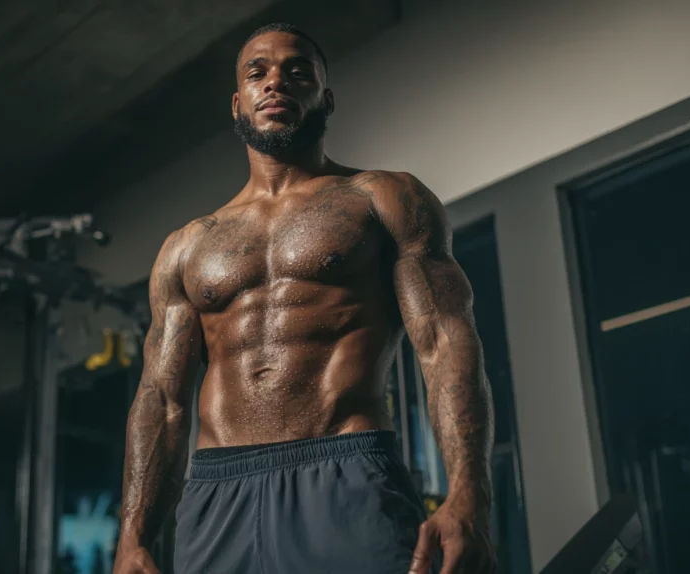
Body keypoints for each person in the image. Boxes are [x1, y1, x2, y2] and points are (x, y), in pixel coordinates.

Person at [112, 22, 496, 574]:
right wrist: (133, 536)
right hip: (218, 491)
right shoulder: (187, 246)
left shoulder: (383, 197)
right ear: (237, 104)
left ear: (326, 97)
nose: (276, 83)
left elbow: (445, 344)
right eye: (258, 73)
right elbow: (161, 400)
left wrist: (469, 496)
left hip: (345, 469)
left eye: (297, 72)